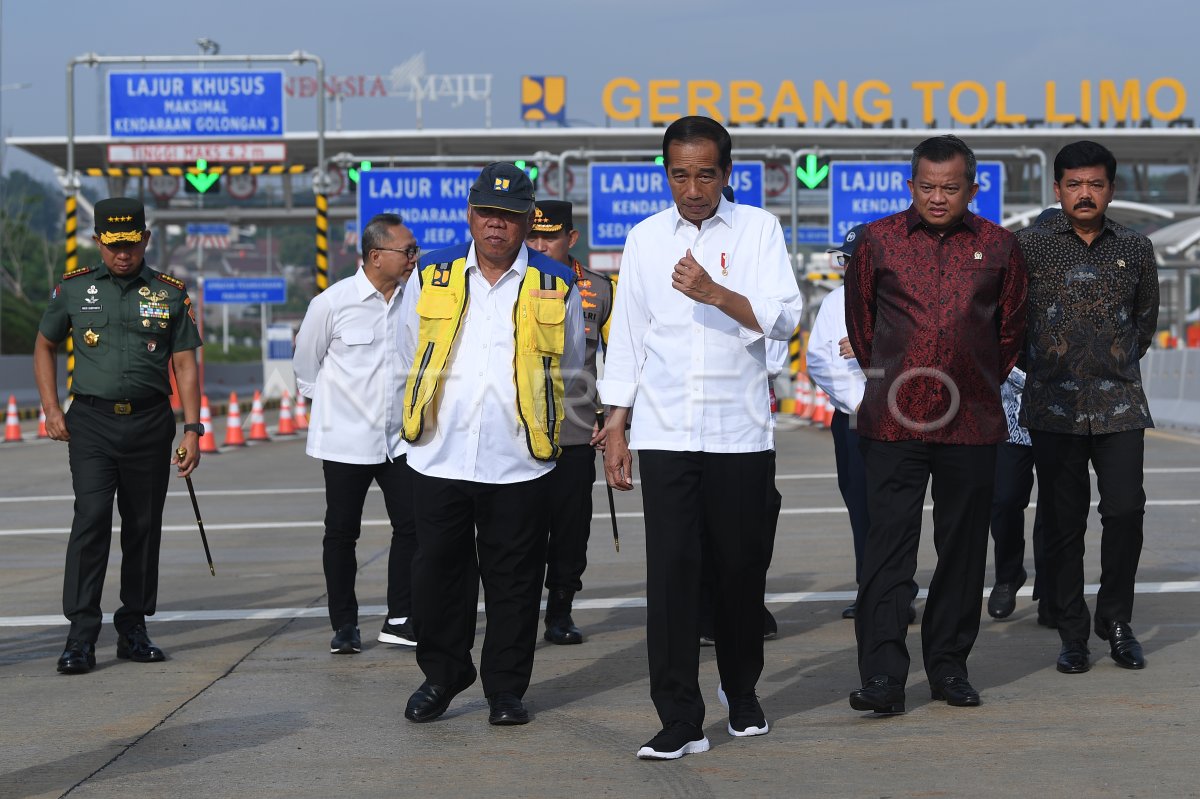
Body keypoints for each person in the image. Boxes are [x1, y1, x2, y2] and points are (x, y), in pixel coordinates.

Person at [599, 116, 803, 760]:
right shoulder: (643, 239)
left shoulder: (759, 230)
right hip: (664, 433)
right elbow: (627, 339)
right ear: (666, 174)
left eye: (705, 174)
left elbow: (785, 319)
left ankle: (741, 693)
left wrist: (715, 293)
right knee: (672, 576)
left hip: (738, 434)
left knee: (739, 571)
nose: (693, 188)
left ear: (726, 173)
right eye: (680, 174)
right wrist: (614, 424)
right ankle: (679, 717)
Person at [843, 135, 1027, 713]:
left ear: (973, 188)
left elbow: (1010, 334)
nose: (938, 197)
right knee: (887, 551)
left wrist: (968, 381)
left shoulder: (1000, 247)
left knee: (963, 551)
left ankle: (948, 666)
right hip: (893, 424)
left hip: (970, 423)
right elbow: (863, 325)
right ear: (911, 185)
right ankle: (882, 678)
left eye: (951, 188)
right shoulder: (878, 242)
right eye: (927, 187)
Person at [398, 163, 584, 726]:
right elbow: (408, 348)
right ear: (470, 215)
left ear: (528, 221)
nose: (495, 226)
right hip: (439, 451)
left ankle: (506, 688)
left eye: (508, 216)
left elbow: (570, 363)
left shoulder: (557, 283)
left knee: (515, 582)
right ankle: (444, 673)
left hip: (519, 455)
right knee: (436, 577)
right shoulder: (431, 274)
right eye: (486, 214)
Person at [33, 197, 202, 674]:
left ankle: (133, 628)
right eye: (113, 245)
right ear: (98, 242)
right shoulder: (73, 290)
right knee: (90, 519)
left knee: (143, 527)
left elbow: (185, 362)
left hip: (151, 423)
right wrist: (50, 407)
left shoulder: (169, 293)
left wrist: (192, 429)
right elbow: (44, 345)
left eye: (130, 244)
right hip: (91, 422)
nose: (122, 254)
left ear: (146, 239)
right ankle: (80, 636)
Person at [1017, 141, 1159, 674]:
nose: (1084, 194)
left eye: (1095, 184)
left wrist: (1112, 363)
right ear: (1057, 189)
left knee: (1125, 511)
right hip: (1053, 407)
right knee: (1063, 522)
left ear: (1111, 189)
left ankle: (1116, 621)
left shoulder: (1136, 247)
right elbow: (1011, 321)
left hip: (1120, 404)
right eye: (1074, 184)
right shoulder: (1028, 247)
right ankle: (1073, 633)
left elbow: (1145, 322)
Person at [293, 213, 420, 655]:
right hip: (345, 441)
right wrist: (338, 409)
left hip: (400, 440)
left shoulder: (416, 299)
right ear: (375, 256)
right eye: (406, 251)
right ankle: (344, 624)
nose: (413, 258)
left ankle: (400, 618)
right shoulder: (332, 303)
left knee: (413, 527)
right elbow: (305, 369)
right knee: (342, 533)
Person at [525, 200, 614, 646]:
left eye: (550, 237)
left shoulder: (599, 289)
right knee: (520, 530)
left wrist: (614, 417)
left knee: (571, 528)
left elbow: (616, 359)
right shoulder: (513, 284)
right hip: (519, 429)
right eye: (533, 237)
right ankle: (520, 609)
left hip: (576, 430)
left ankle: (560, 609)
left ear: (570, 239)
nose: (540, 245)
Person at [806, 226, 871, 620]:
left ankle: (899, 587)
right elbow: (821, 361)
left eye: (856, 259)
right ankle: (870, 587)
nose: (848, 266)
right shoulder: (835, 303)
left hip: (899, 416)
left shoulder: (898, 299)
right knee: (860, 504)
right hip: (853, 419)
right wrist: (859, 403)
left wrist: (868, 352)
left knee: (896, 508)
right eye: (845, 259)